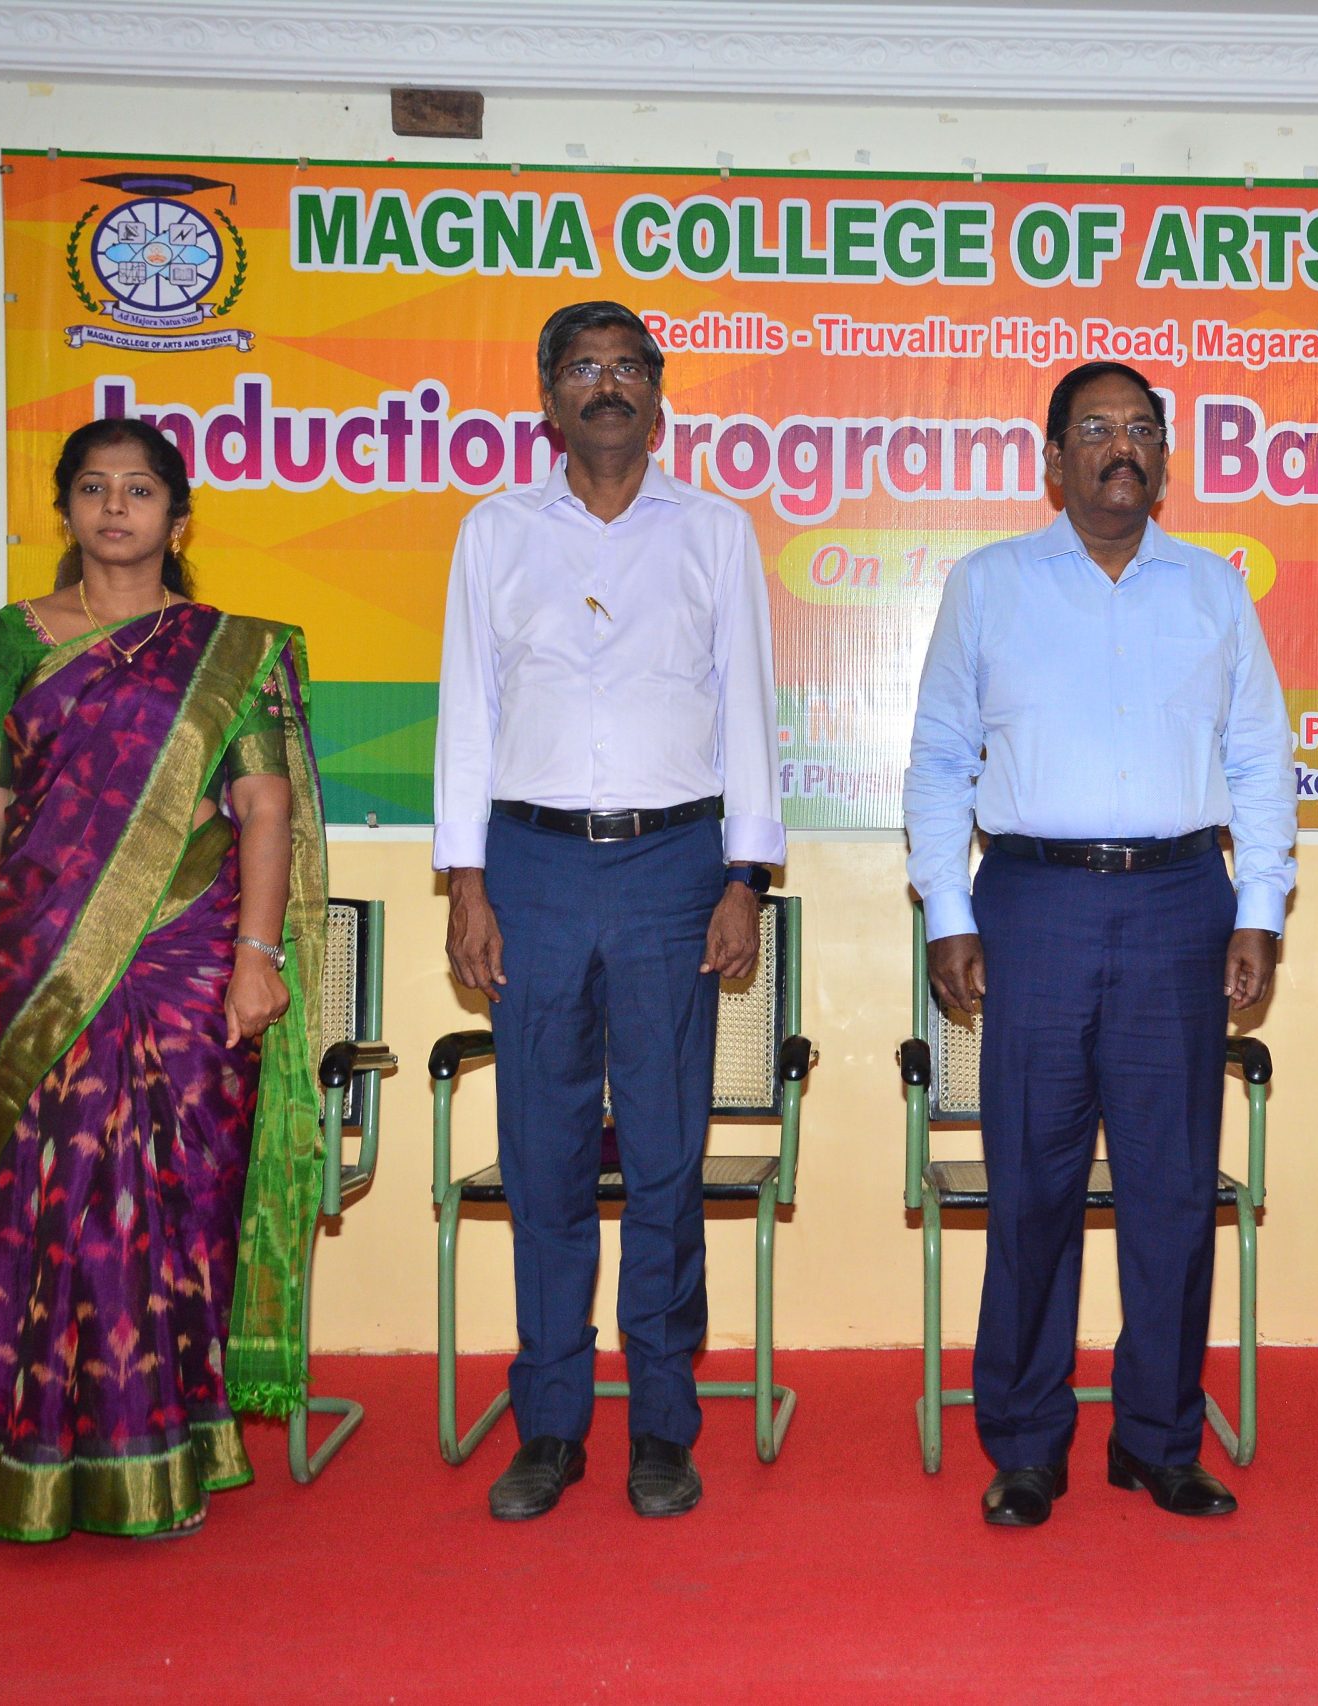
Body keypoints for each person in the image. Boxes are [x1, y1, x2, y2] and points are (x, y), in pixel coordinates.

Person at [905, 360, 1297, 1528]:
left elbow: (1259, 759)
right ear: (1053, 458)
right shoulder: (988, 585)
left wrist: (1259, 906)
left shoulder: (1213, 590)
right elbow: (939, 758)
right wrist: (949, 910)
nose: (1119, 448)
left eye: (1139, 430)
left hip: (1181, 902)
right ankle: (1027, 1442)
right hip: (1033, 901)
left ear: (1164, 458)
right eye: (1095, 430)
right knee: (1032, 1187)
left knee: (1172, 1190)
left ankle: (1159, 1437)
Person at [0, 416, 327, 1542]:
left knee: (175, 1203)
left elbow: (264, 807)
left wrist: (257, 957)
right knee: (50, 1204)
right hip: (39, 962)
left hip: (189, 962)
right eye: (94, 487)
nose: (116, 506)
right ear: (65, 509)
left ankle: (169, 1448)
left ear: (177, 518)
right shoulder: (9, 641)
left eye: (140, 489)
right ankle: (35, 1455)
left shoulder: (229, 650)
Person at [434, 300, 783, 1522]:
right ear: (547, 395)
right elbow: (469, 711)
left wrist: (743, 876)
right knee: (543, 1159)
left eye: (627, 366)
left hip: (673, 868)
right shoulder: (494, 532)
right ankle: (548, 1423)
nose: (607, 386)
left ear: (657, 388)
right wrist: (466, 878)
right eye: (582, 368)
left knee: (668, 1159)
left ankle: (663, 1425)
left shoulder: (713, 532)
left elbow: (747, 704)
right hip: (528, 866)